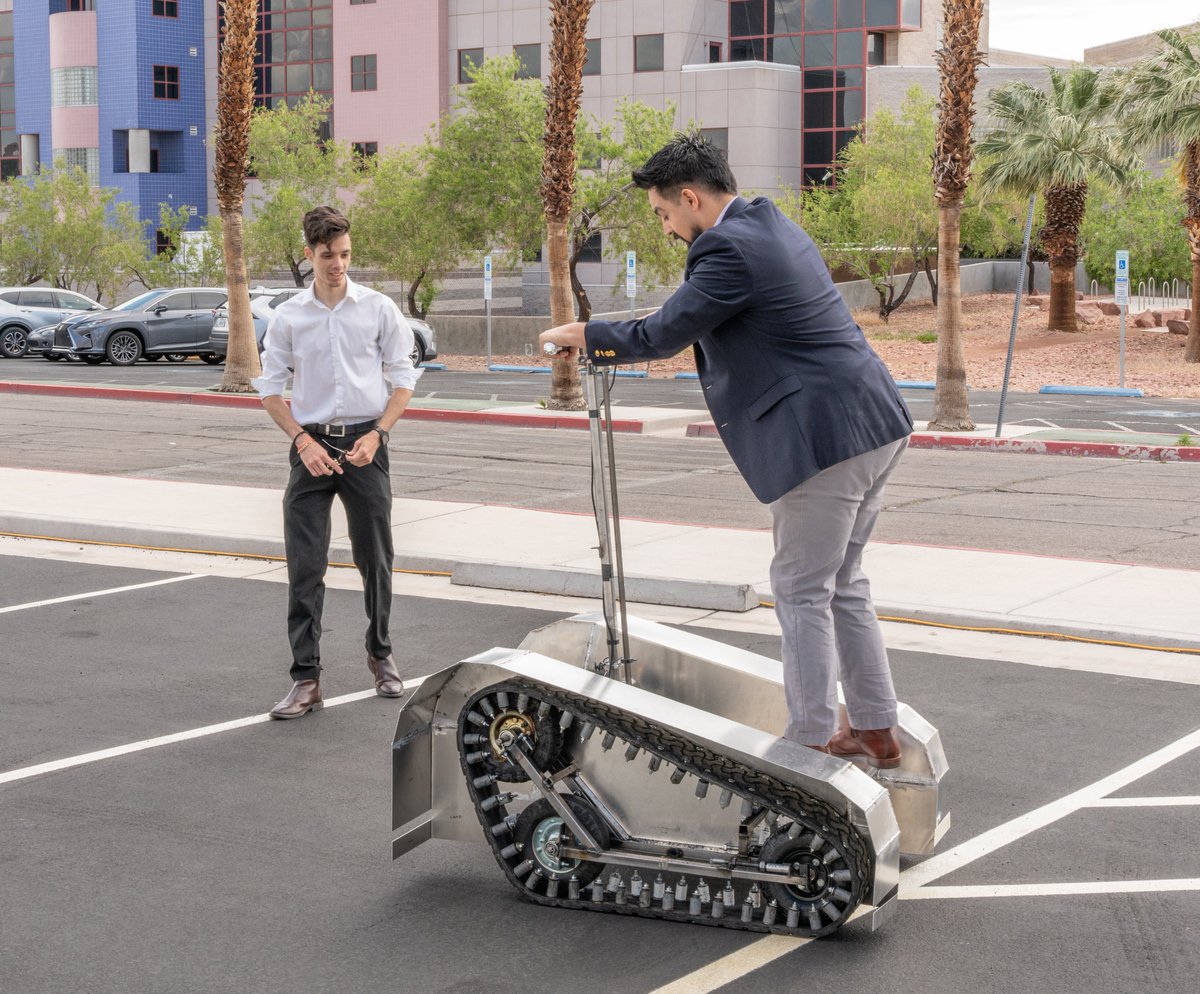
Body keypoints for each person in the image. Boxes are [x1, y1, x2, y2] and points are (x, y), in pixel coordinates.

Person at [539, 134, 913, 768]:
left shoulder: (726, 247)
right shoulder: (768, 223)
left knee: (799, 587)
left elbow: (663, 334)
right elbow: (705, 309)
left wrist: (583, 333)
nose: (664, 228)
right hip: (874, 422)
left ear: (690, 198)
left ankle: (812, 746)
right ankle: (875, 730)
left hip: (824, 438)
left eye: (663, 213)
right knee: (841, 581)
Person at [253, 205, 421, 719]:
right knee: (305, 567)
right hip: (311, 449)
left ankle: (382, 652)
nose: (338, 265)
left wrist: (379, 434)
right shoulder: (288, 317)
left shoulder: (378, 309)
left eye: (345, 254)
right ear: (310, 255)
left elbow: (403, 380)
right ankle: (306, 679)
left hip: (366, 446)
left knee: (377, 561)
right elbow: (270, 391)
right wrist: (303, 442)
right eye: (328, 256)